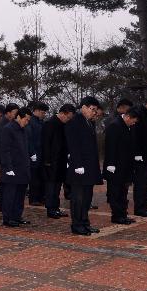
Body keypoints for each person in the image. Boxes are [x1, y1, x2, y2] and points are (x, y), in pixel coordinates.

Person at [64, 96, 103, 236]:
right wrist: (78, 164)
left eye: (95, 110)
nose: (94, 112)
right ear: (84, 108)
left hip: (89, 167)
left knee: (87, 197)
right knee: (78, 199)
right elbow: (73, 145)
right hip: (79, 168)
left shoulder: (89, 123)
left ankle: (85, 223)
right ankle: (77, 225)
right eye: (92, 109)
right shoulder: (74, 122)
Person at [103, 108, 139, 224]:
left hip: (126, 166)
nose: (134, 124)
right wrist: (111, 164)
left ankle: (123, 214)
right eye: (133, 121)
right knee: (116, 192)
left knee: (123, 191)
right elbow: (110, 147)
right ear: (128, 117)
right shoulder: (115, 126)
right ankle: (117, 216)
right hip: (116, 166)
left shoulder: (127, 126)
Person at [0, 107, 32, 227]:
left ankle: (17, 216)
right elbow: (5, 150)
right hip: (12, 168)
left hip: (22, 168)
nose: (27, 122)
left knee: (20, 195)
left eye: (28, 120)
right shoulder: (8, 129)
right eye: (26, 120)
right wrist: (8, 167)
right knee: (10, 194)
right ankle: (7, 218)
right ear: (18, 117)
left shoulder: (23, 130)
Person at [41, 104, 75, 219]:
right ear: (63, 113)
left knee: (57, 186)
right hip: (51, 162)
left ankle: (55, 207)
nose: (69, 120)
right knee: (51, 186)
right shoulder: (50, 123)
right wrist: (47, 161)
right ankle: (51, 209)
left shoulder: (64, 125)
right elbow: (46, 143)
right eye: (68, 117)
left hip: (61, 161)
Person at [27, 101, 48, 206]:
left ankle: (41, 197)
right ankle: (34, 198)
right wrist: (32, 153)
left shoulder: (41, 122)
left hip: (41, 153)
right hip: (34, 153)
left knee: (41, 177)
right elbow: (29, 139)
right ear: (37, 111)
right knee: (34, 178)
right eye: (43, 112)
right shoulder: (31, 122)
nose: (44, 115)